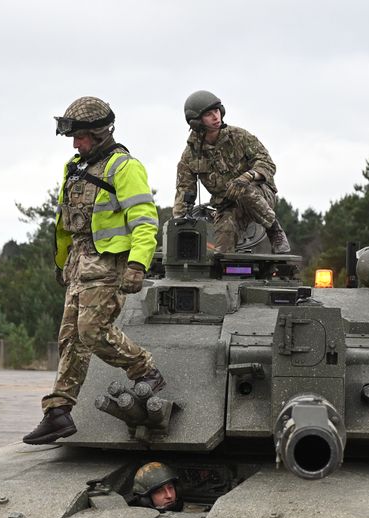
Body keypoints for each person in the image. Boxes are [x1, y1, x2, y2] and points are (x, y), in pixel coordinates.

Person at [23, 96, 165, 445]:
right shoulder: (74, 168)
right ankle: (58, 411)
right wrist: (62, 263)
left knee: (91, 331)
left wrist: (137, 263)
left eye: (81, 136)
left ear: (100, 133)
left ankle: (145, 369)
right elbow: (62, 224)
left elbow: (145, 220)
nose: (75, 143)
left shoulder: (124, 167)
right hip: (79, 263)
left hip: (109, 263)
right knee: (70, 339)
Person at [173, 90, 291, 254]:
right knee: (221, 253)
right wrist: (179, 223)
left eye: (216, 111)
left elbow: (267, 164)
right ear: (196, 122)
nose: (216, 117)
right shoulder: (190, 156)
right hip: (228, 205)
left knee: (241, 187)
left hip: (261, 195)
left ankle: (274, 230)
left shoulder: (240, 137)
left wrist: (248, 176)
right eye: (209, 114)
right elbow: (184, 191)